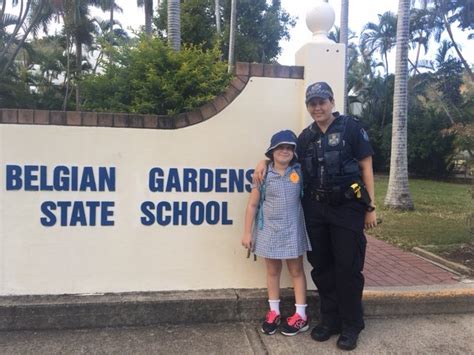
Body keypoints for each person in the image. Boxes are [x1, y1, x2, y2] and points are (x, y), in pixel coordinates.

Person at [254, 82, 377, 351]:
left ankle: (351, 324)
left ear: (332, 102)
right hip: (316, 209)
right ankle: (330, 320)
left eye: (322, 102)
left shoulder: (352, 129)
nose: (317, 107)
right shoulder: (305, 137)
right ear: (308, 106)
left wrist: (371, 207)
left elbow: (366, 166)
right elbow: (283, 157)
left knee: (347, 267)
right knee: (322, 267)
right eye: (312, 103)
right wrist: (262, 162)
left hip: (347, 208)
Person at [242, 130, 312, 336]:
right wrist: (247, 232)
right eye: (280, 147)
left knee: (297, 271)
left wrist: (261, 162)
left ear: (294, 152)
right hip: (269, 231)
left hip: (292, 230)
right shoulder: (262, 175)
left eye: (290, 147)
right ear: (272, 152)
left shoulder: (299, 172)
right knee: (272, 272)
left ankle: (301, 315)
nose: (285, 150)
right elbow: (252, 205)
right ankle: (274, 312)